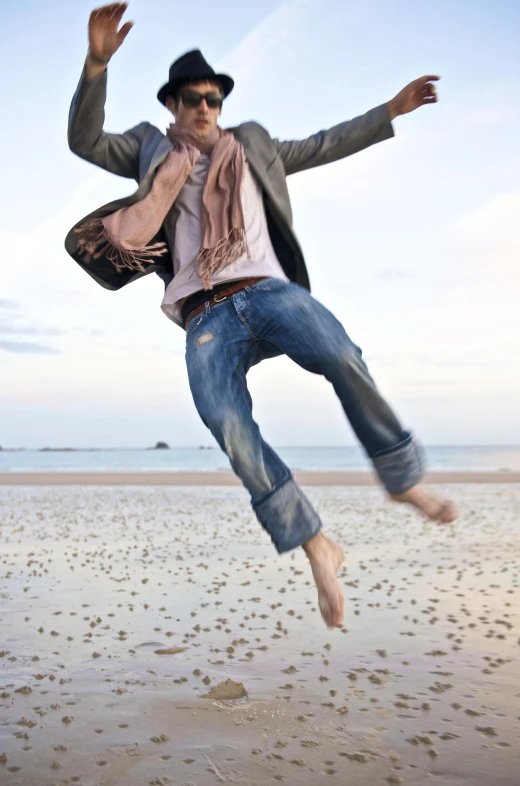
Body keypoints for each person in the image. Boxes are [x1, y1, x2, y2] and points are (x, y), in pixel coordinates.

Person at [66, 2, 456, 628]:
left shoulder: (253, 145)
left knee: (340, 354)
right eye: (193, 98)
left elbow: (323, 144)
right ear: (172, 104)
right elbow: (84, 140)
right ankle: (316, 544)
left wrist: (391, 111)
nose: (204, 108)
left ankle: (402, 477)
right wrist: (95, 65)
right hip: (204, 315)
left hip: (268, 290)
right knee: (227, 421)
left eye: (213, 98)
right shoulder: (147, 148)